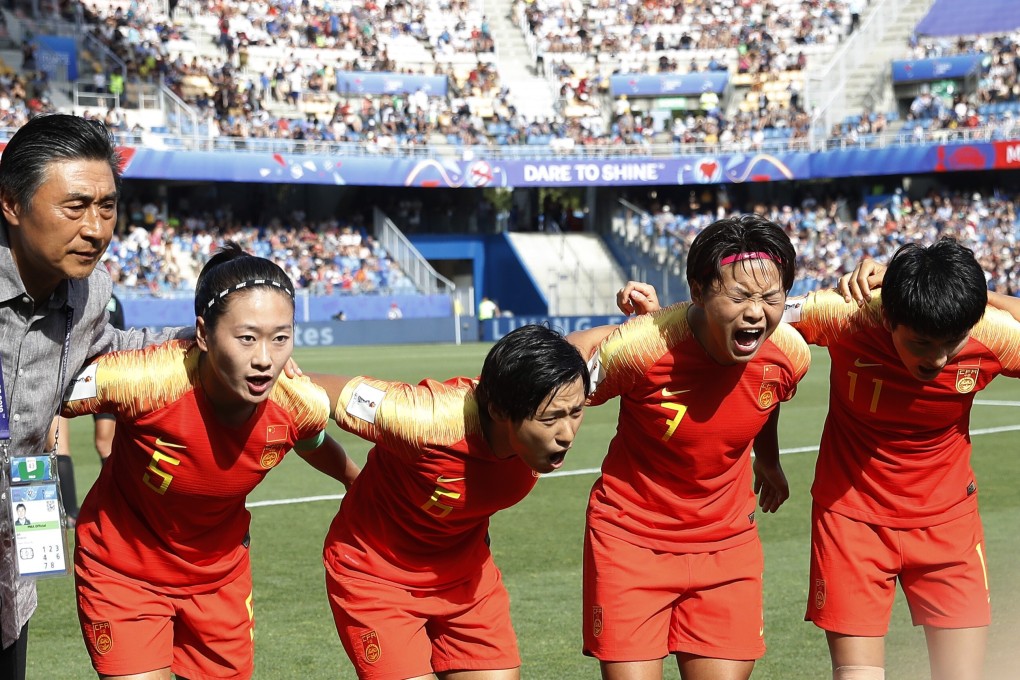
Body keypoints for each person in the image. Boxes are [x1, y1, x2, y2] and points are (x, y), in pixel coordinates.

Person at [62, 243, 360, 680]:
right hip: (124, 572)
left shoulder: (297, 403)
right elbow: (45, 392)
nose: (264, 358)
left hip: (219, 581)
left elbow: (312, 441)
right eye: (247, 338)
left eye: (280, 338)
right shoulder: (144, 381)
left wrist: (356, 479)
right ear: (202, 333)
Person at [572, 214, 810, 680]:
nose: (757, 312)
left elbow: (767, 398)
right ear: (698, 292)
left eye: (770, 297)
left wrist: (769, 459)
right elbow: (566, 357)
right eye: (739, 296)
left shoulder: (790, 354)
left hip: (727, 549)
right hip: (630, 542)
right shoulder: (645, 348)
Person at [0, 113, 186, 680]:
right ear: (10, 204)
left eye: (106, 208)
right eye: (75, 207)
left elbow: (119, 350)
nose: (96, 228)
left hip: (12, 554)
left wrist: (221, 337)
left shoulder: (89, 291)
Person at [789, 239, 1020, 680]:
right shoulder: (848, 315)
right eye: (921, 342)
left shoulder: (991, 337)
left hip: (949, 525)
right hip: (851, 522)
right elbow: (755, 313)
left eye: (952, 342)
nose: (937, 358)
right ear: (889, 316)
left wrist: (971, 296)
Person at [313, 324, 588, 679]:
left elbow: (600, 345)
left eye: (576, 413)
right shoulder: (425, 419)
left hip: (466, 579)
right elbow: (307, 388)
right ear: (499, 411)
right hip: (377, 577)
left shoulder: (560, 386)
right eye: (550, 419)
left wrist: (650, 314)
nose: (567, 434)